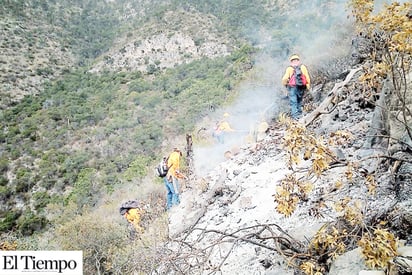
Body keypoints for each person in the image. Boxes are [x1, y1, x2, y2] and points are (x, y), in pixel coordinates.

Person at [281, 54, 311, 120]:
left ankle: (295, 116)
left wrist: (286, 85)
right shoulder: (303, 67)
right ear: (298, 61)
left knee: (293, 102)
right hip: (301, 87)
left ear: (291, 62)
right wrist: (308, 86)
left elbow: (284, 79)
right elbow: (307, 77)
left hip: (292, 88)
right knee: (299, 101)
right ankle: (299, 114)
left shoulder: (289, 69)